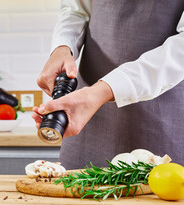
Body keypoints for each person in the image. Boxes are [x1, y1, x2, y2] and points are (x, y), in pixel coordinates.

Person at [32, 0, 184, 169]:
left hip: (161, 115)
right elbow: (75, 10)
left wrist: (100, 92)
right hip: (88, 117)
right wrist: (62, 47)